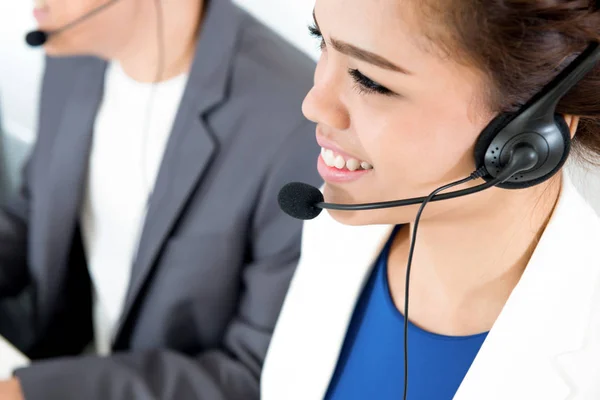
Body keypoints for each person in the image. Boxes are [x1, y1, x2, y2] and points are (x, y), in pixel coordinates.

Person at [261, 0, 600, 399]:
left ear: (530, 133)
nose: (313, 104)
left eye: (370, 80)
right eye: (321, 40)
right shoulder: (336, 233)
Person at [0, 0, 321, 398]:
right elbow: (35, 208)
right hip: (61, 360)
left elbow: (249, 370)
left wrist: (32, 393)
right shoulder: (76, 46)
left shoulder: (294, 123)